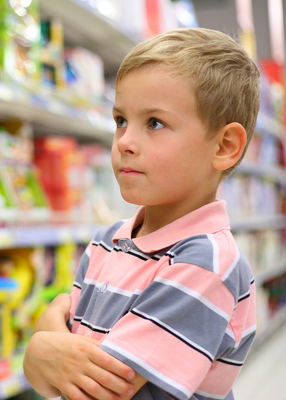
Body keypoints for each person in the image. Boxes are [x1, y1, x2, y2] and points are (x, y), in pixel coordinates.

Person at [23, 27, 259, 400]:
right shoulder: (109, 241)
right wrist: (44, 357)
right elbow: (58, 376)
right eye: (120, 121)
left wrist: (40, 345)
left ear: (224, 146)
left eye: (154, 123)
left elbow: (99, 391)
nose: (125, 143)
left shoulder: (207, 262)